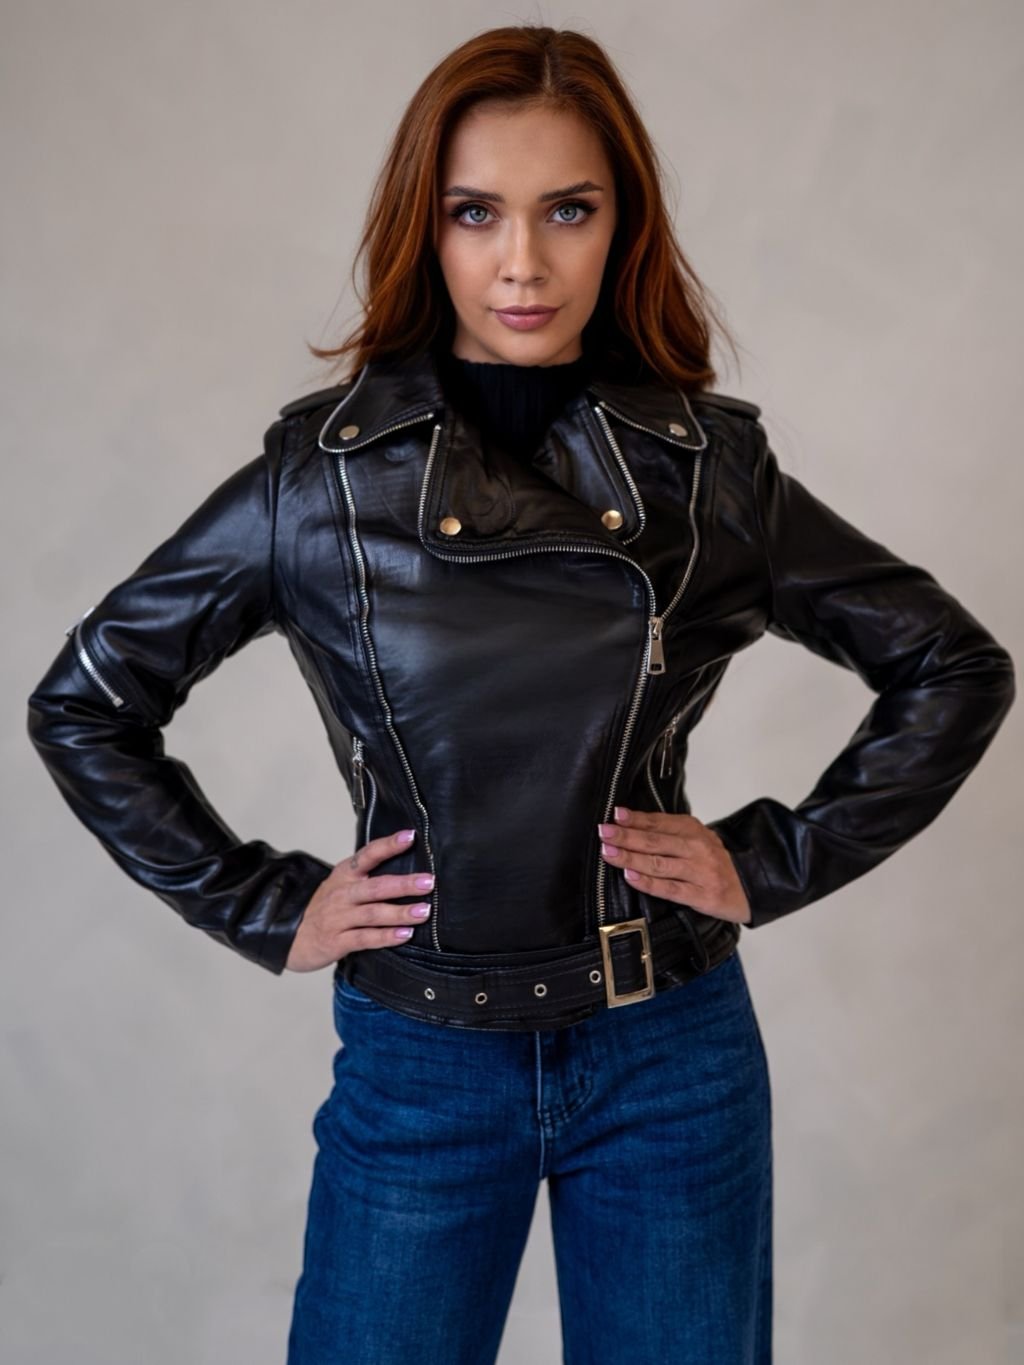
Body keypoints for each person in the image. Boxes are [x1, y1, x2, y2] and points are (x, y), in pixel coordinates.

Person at [25, 24, 1015, 1365]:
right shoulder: (322, 482)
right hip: (421, 1060)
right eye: (476, 212)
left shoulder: (706, 474)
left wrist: (771, 860)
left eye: (569, 210)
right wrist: (262, 902)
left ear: (623, 226)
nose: (523, 263)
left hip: (669, 1052)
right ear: (424, 230)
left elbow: (952, 665)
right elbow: (87, 701)